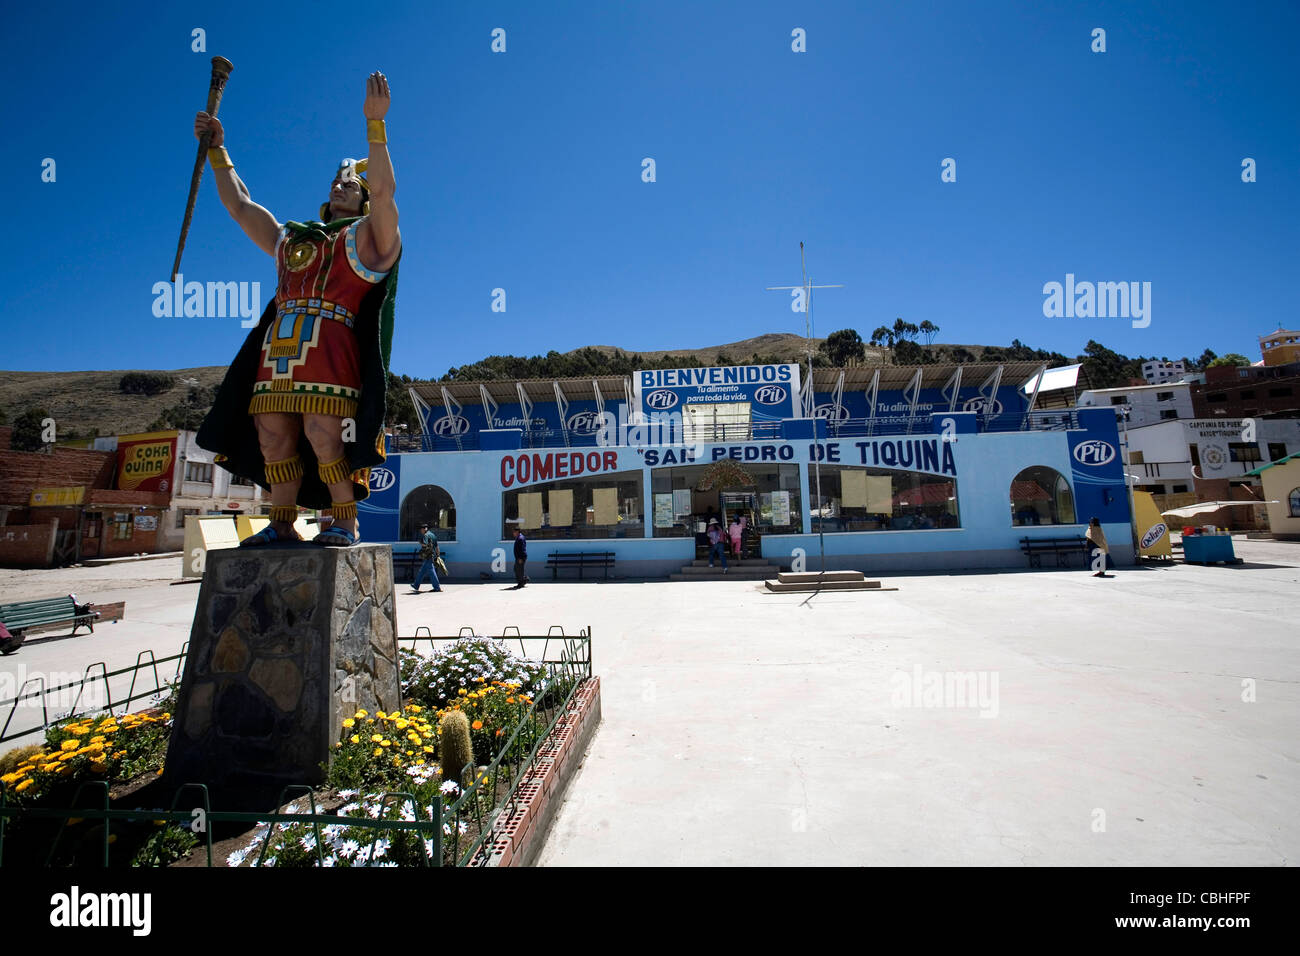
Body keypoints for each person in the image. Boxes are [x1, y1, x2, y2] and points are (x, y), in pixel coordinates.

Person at [194, 72, 402, 547]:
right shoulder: (294, 239)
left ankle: (344, 520)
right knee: (273, 436)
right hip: (280, 347)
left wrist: (376, 126)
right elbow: (241, 207)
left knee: (324, 434)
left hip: (331, 344)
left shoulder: (368, 241)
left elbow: (387, 195)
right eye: (335, 182)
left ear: (363, 199)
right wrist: (217, 152)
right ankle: (282, 522)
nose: (339, 186)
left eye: (350, 184)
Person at [411, 522, 442, 593]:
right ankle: (416, 585)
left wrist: (420, 543)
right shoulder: (433, 535)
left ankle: (437, 587)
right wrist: (438, 555)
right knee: (422, 571)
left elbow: (425, 545)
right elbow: (437, 546)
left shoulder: (426, 535)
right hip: (432, 555)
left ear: (425, 529)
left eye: (421, 529)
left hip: (428, 556)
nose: (421, 531)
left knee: (431, 571)